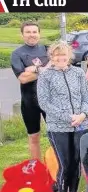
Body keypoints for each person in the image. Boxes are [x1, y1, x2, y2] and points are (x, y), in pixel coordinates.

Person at [37, 41, 88, 192]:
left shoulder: (78, 72)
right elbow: (44, 102)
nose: (61, 57)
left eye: (64, 54)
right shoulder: (45, 76)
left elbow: (86, 95)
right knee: (65, 165)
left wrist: (82, 114)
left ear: (69, 56)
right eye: (57, 54)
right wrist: (67, 117)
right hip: (58, 127)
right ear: (52, 57)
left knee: (76, 163)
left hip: (81, 125)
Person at [10, 21, 51, 160]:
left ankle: (58, 169)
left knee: (55, 136)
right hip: (29, 103)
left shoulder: (47, 49)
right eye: (28, 32)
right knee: (34, 138)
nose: (31, 35)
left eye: (34, 32)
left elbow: (57, 68)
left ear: (39, 34)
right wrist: (44, 69)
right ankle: (37, 170)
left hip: (50, 101)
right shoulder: (17, 54)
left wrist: (34, 69)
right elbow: (23, 78)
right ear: (22, 35)